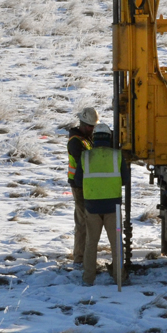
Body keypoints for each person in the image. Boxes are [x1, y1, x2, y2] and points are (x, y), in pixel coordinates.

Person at [80, 123, 130, 286]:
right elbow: (125, 180)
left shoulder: (85, 156)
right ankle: (119, 278)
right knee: (116, 244)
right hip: (113, 207)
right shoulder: (117, 155)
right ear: (109, 138)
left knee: (90, 244)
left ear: (94, 138)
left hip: (92, 207)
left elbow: (78, 180)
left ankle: (88, 279)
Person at [68, 107, 98, 264]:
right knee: (82, 222)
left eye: (94, 126)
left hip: (87, 184)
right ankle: (79, 258)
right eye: (90, 126)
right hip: (79, 186)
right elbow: (84, 162)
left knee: (88, 221)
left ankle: (84, 255)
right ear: (83, 124)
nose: (92, 129)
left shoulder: (86, 138)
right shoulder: (75, 141)